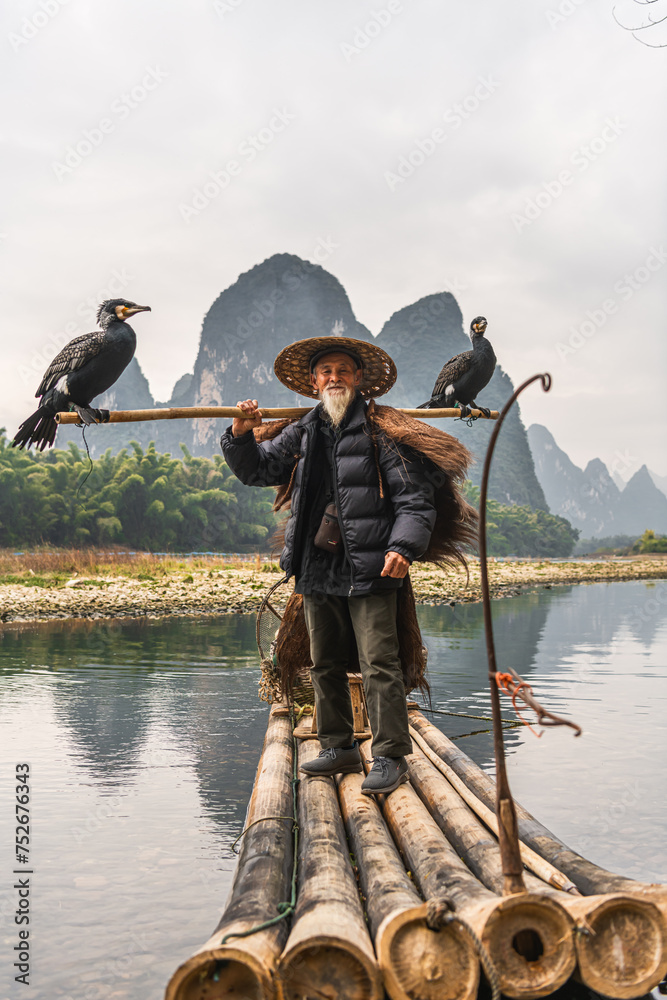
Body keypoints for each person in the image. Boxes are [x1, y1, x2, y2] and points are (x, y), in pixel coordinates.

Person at [220, 336, 438, 795]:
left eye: (343, 370)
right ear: (314, 382)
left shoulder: (383, 431)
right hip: (317, 565)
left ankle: (390, 755)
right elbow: (258, 470)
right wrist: (240, 434)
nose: (334, 378)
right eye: (326, 372)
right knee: (324, 662)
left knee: (380, 662)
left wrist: (403, 546)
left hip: (372, 564)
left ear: (358, 380)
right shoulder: (304, 431)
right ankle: (337, 745)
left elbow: (415, 499)